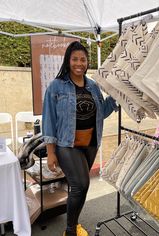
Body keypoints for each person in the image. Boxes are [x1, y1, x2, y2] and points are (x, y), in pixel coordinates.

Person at [42, 41, 118, 236]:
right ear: (68, 61)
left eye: (83, 59)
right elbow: (49, 119)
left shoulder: (93, 86)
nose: (79, 63)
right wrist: (51, 152)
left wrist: (117, 97)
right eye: (75, 59)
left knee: (80, 189)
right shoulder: (56, 87)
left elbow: (102, 112)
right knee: (81, 184)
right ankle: (70, 231)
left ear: (87, 62)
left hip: (90, 143)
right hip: (67, 144)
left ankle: (73, 224)